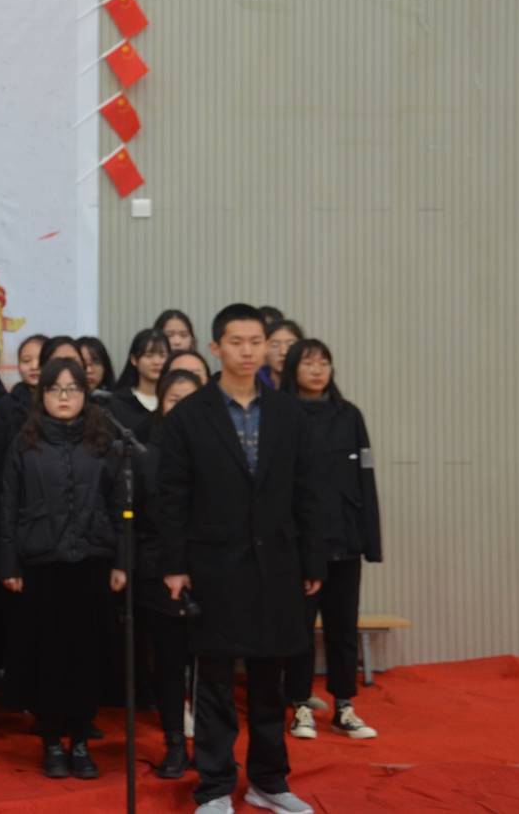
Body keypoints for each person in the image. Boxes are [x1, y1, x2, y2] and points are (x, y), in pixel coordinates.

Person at [156, 304, 325, 814]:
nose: (247, 351)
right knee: (213, 681)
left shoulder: (289, 414)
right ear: (215, 348)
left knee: (270, 681)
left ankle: (268, 781)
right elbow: (172, 497)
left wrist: (312, 561)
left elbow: (308, 492)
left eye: (256, 341)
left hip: (277, 565)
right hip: (213, 566)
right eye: (236, 342)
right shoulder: (189, 416)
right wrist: (174, 565)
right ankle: (213, 786)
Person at [0, 358, 124, 780]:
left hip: (92, 563)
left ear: (86, 394)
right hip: (41, 566)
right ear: (42, 395)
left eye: (73, 388)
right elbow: (7, 506)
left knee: (87, 658)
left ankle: (82, 742)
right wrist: (9, 563)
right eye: (55, 389)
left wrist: (122, 561)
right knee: (48, 657)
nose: (64, 397)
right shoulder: (24, 442)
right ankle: (52, 741)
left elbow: (119, 505)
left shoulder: (104, 441)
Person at [281, 339, 383, 743]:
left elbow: (366, 478)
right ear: (293, 368)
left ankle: (344, 706)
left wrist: (370, 541)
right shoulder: (282, 414)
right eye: (309, 363)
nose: (318, 369)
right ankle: (300, 704)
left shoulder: (349, 415)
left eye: (324, 363)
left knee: (343, 628)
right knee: (299, 630)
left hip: (345, 540)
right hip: (301, 545)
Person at [131, 368, 207, 780]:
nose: (183, 408)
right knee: (170, 662)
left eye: (191, 400)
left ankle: (211, 747)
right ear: (161, 403)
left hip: (210, 568)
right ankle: (175, 743)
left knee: (211, 664)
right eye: (175, 399)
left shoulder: (216, 448)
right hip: (160, 571)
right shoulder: (146, 452)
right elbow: (141, 518)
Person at [108, 329, 171, 442]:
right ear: (134, 360)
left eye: (162, 355)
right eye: (149, 355)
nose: (156, 362)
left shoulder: (174, 400)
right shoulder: (119, 403)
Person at [259, 320, 305, 391]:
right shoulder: (255, 385)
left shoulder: (310, 385)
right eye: (275, 345)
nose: (283, 352)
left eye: (290, 345)